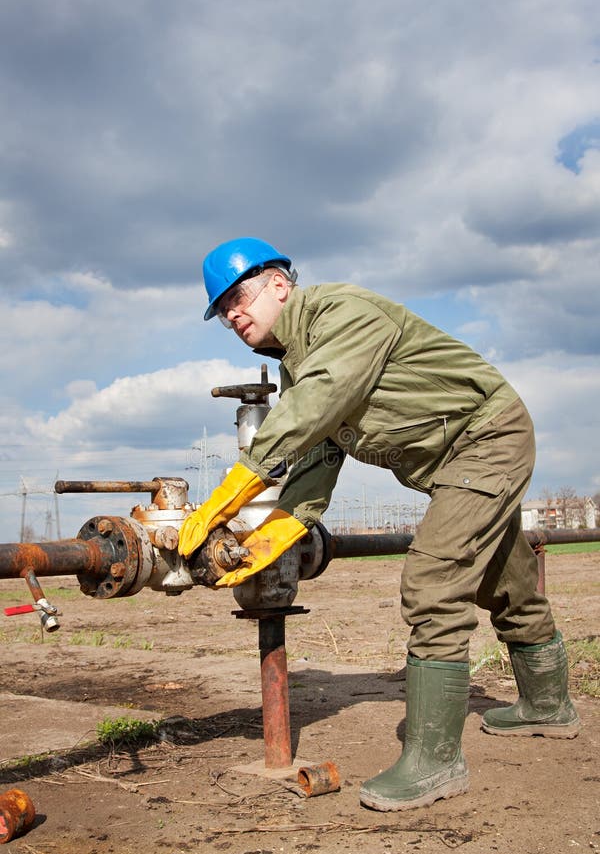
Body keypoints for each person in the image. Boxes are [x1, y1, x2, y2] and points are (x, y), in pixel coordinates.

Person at [178, 237, 580, 811]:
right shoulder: (298, 368)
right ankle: (548, 705)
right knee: (505, 576)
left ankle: (435, 761)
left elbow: (316, 403)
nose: (233, 314)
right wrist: (274, 533)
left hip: (488, 439)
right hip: (458, 463)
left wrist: (229, 491)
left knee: (434, 580)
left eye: (238, 296)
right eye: (222, 312)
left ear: (279, 284)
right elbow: (315, 458)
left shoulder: (343, 315)